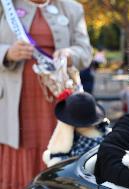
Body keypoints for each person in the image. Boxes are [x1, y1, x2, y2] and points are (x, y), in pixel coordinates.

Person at [0, 0, 92, 188]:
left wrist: (69, 54)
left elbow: (85, 52)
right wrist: (7, 52)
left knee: (61, 149)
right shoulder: (4, 5)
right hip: (15, 102)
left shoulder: (73, 8)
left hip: (60, 101)